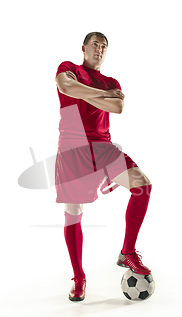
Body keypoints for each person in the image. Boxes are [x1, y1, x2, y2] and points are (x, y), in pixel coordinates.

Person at [54, 32, 153, 302]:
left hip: (103, 147)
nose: (99, 49)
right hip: (73, 147)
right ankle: (79, 277)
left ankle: (128, 252)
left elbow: (118, 106)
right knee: (74, 211)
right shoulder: (69, 69)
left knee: (142, 185)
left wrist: (94, 94)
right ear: (83, 48)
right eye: (95, 44)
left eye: (104, 46)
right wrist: (102, 96)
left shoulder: (112, 82)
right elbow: (66, 88)